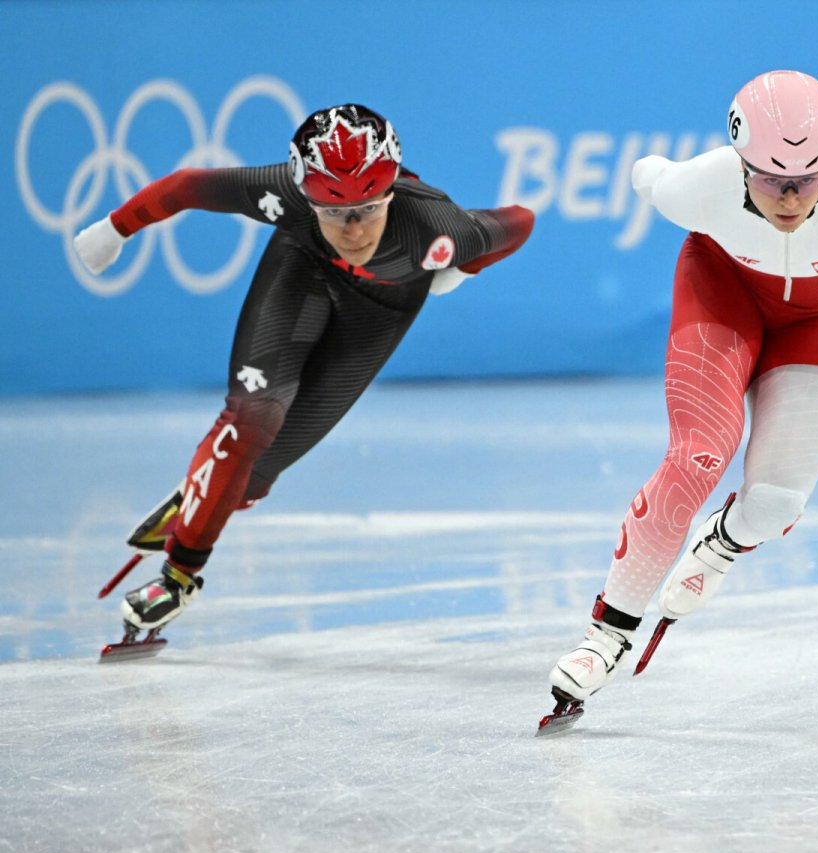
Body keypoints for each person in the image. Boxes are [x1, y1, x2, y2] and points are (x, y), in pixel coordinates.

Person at [543, 70, 818, 721]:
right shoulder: (698, 187)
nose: (788, 197)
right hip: (722, 296)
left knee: (775, 506)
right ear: (739, 161)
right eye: (769, 178)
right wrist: (652, 170)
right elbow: (650, 173)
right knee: (701, 453)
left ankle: (724, 540)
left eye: (808, 179)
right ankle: (606, 637)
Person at [73, 103, 534, 654]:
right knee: (253, 416)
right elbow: (187, 186)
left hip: (379, 314)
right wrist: (113, 229)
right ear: (305, 195)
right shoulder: (284, 195)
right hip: (300, 270)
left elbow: (520, 222)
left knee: (263, 469)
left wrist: (461, 268)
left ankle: (220, 487)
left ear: (390, 192)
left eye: (367, 208)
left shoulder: (438, 228)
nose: (354, 229)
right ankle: (177, 575)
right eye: (334, 211)